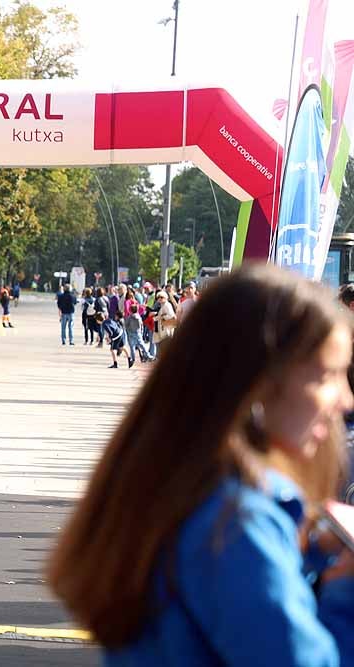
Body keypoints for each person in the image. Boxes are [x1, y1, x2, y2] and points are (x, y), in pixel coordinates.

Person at [49, 264, 354, 665]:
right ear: (259, 382)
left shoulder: (180, 488)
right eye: (328, 376)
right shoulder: (237, 524)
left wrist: (315, 559)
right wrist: (346, 592)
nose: (345, 400)